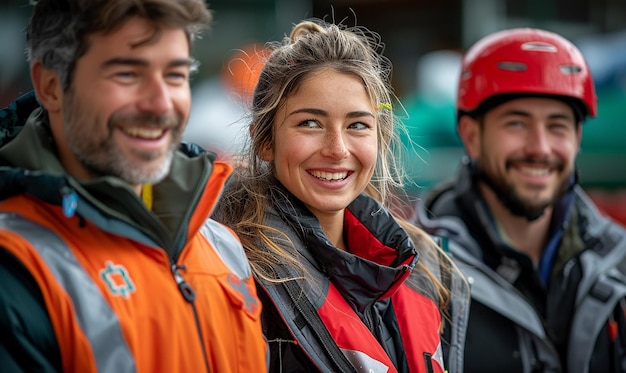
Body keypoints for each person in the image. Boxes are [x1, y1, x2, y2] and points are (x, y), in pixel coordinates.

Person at [0, 1, 267, 372]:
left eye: (175, 75)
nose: (160, 104)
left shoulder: (222, 244)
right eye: (127, 74)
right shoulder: (15, 269)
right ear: (51, 86)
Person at [214, 19, 469, 373]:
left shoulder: (427, 268)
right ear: (265, 140)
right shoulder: (228, 272)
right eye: (310, 123)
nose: (337, 150)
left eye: (357, 125)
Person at [413, 27, 626, 372]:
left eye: (557, 125)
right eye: (516, 123)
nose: (540, 148)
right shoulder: (416, 276)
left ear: (577, 138)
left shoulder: (618, 264)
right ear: (471, 136)